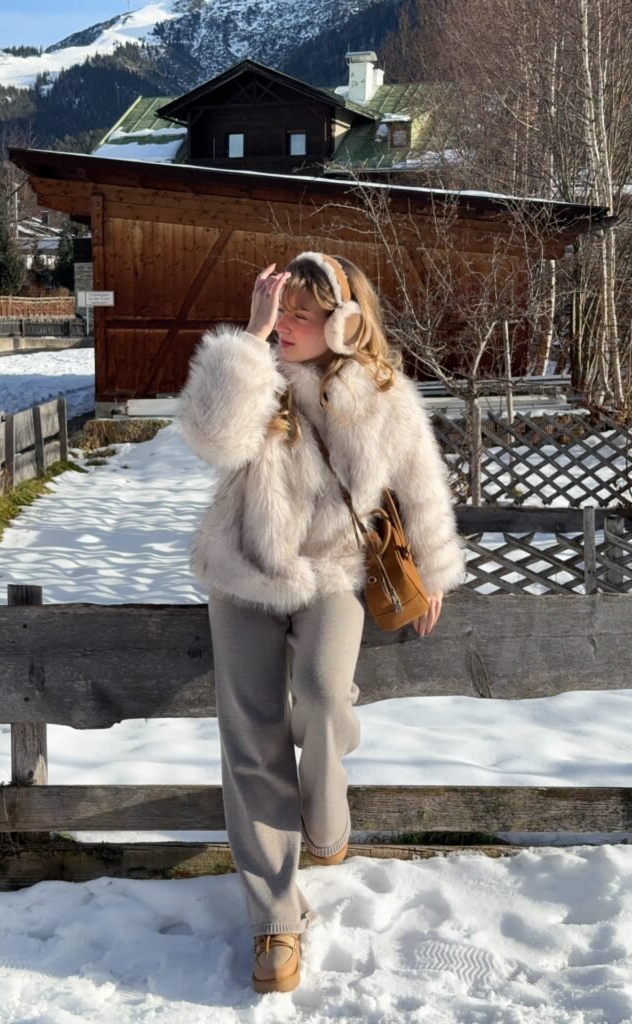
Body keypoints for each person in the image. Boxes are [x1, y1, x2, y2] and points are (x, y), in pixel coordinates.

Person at [177, 253, 465, 994]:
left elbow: (419, 483)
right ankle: (274, 920)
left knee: (325, 695)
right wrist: (248, 338)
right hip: (243, 573)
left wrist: (431, 571)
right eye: (281, 310)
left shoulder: (382, 394)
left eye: (301, 314)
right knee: (250, 737)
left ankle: (327, 818)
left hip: (335, 574)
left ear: (344, 323)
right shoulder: (256, 374)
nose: (287, 326)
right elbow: (210, 438)